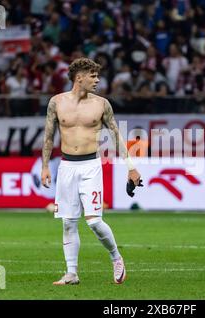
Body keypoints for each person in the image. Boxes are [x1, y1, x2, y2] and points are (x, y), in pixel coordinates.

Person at [41, 57, 142, 286]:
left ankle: (116, 257)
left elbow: (116, 136)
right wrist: (45, 166)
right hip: (66, 166)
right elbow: (48, 137)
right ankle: (72, 273)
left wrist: (131, 168)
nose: (97, 80)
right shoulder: (56, 103)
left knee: (95, 221)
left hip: (90, 166)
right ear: (79, 78)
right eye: (93, 76)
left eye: (97, 76)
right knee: (68, 222)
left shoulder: (102, 104)